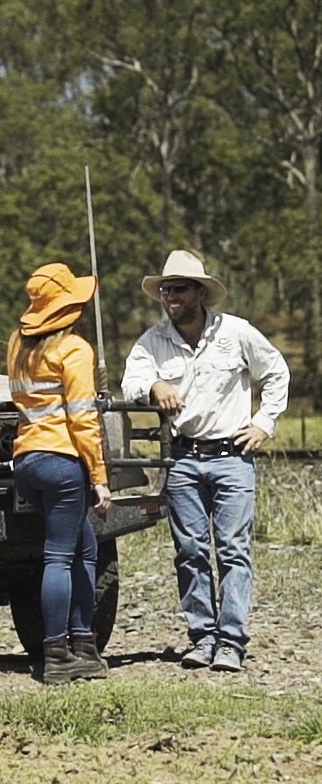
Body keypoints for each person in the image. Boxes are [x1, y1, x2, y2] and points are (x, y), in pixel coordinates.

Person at [121, 250, 290, 673]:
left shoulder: (236, 332)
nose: (170, 296)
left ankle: (231, 640)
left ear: (200, 292)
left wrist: (263, 424)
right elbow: (131, 382)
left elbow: (276, 372)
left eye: (179, 288)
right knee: (190, 551)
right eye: (165, 289)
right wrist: (154, 384)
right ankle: (202, 636)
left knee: (234, 550)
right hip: (183, 458)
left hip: (232, 457)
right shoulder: (153, 342)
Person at [7, 262, 113, 684]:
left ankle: (83, 643)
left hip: (27, 461)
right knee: (59, 555)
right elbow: (83, 419)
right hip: (63, 462)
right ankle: (56, 654)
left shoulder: (17, 344)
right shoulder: (75, 350)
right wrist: (100, 477)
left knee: (84, 548)